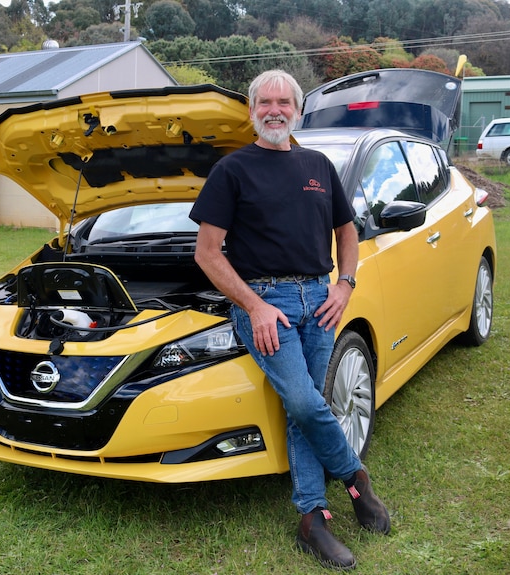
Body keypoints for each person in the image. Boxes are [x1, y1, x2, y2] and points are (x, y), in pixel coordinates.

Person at [189, 70, 390, 570]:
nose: (274, 110)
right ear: (252, 110)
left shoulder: (318, 164)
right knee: (303, 399)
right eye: (265, 102)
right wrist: (254, 307)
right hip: (266, 304)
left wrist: (346, 285)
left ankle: (311, 519)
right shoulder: (232, 170)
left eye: (284, 102)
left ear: (297, 111)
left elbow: (346, 233)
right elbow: (208, 254)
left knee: (306, 410)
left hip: (321, 299)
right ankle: (355, 478)